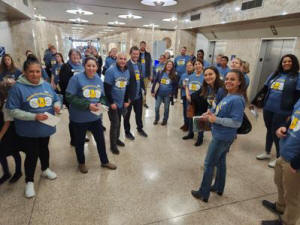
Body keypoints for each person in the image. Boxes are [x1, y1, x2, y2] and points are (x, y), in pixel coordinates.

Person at [6, 57, 61, 198]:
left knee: (44, 148)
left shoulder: (46, 85)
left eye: (38, 71)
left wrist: (57, 105)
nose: (35, 74)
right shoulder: (17, 88)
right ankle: (29, 181)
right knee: (32, 154)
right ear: (24, 72)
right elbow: (12, 110)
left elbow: (56, 98)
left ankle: (45, 168)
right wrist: (34, 116)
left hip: (45, 127)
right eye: (31, 71)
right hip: (28, 130)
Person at [191, 69, 247, 202]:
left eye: (232, 79)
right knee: (221, 162)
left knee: (209, 163)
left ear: (239, 82)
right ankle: (218, 187)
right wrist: (210, 114)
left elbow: (236, 122)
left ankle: (203, 193)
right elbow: (219, 110)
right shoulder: (228, 95)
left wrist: (216, 120)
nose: (228, 81)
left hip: (222, 136)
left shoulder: (237, 100)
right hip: (221, 134)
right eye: (227, 78)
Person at [65, 57, 116, 173]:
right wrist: (88, 105)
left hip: (95, 117)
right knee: (79, 142)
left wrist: (101, 104)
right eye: (89, 65)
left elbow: (102, 96)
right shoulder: (76, 79)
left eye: (94, 66)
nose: (91, 68)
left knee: (100, 140)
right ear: (84, 66)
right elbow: (69, 96)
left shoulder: (98, 79)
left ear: (97, 67)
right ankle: (81, 163)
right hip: (79, 119)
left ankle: (104, 161)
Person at [256, 54, 300, 168]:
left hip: (283, 111)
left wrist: (292, 113)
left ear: (294, 63)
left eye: (289, 61)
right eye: (284, 61)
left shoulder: (297, 77)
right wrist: (254, 102)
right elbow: (264, 89)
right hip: (268, 108)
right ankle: (267, 152)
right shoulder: (275, 74)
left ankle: (279, 157)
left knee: (278, 133)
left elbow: (297, 96)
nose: (286, 63)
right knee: (269, 130)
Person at [261, 99, 300, 225]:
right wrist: (284, 127)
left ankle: (288, 221)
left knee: (292, 195)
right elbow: (294, 118)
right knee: (279, 181)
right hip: (286, 150)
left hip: (295, 160)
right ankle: (280, 207)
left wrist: (297, 162)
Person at [187, 66, 226, 146]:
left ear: (216, 75)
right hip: (211, 115)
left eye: (210, 74)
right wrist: (209, 110)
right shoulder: (207, 87)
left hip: (220, 122)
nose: (208, 77)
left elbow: (224, 107)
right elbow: (211, 103)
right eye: (206, 75)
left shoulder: (221, 89)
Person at [104, 53, 130, 155]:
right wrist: (111, 102)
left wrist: (126, 100)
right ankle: (113, 145)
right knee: (115, 124)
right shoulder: (110, 71)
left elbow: (127, 87)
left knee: (119, 122)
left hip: (121, 102)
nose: (123, 61)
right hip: (113, 103)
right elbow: (107, 88)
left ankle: (117, 139)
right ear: (116, 59)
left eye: (124, 59)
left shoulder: (127, 71)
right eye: (120, 59)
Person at [59, 49, 85, 146]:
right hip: (72, 98)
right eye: (73, 55)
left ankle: (81, 136)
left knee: (81, 118)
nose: (76, 56)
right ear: (69, 56)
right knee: (74, 119)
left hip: (82, 98)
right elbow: (63, 83)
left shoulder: (82, 67)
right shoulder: (65, 67)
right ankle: (74, 139)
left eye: (77, 55)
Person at [0, 80, 22, 185]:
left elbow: (7, 122)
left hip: (9, 132)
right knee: (1, 154)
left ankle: (18, 172)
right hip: (2, 131)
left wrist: (0, 136)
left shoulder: (6, 104)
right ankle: (6, 173)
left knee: (14, 152)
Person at [124, 46, 148, 140]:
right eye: (134, 54)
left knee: (139, 114)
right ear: (130, 54)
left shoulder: (139, 64)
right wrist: (126, 98)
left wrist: (143, 88)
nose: (135, 55)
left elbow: (140, 77)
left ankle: (140, 128)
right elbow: (125, 83)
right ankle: (127, 131)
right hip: (129, 97)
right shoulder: (126, 65)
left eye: (137, 54)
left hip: (138, 96)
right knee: (127, 115)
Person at [183, 60, 204, 143]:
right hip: (190, 100)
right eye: (196, 64)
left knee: (200, 119)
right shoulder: (191, 76)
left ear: (202, 66)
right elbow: (187, 87)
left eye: (199, 64)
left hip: (200, 101)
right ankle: (190, 133)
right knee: (190, 117)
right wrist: (188, 95)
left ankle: (200, 137)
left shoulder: (204, 76)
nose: (197, 65)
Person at [151, 60, 177, 125]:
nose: (169, 66)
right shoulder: (160, 72)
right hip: (159, 93)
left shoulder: (174, 74)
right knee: (156, 107)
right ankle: (156, 119)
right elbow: (155, 81)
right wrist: (152, 90)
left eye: (171, 65)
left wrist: (173, 93)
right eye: (168, 64)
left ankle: (165, 120)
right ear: (166, 65)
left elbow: (175, 86)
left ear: (172, 66)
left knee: (166, 108)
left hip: (168, 94)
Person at [179, 61, 194, 132]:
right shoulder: (183, 75)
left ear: (193, 66)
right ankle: (186, 124)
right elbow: (179, 85)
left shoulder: (194, 75)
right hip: (184, 95)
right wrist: (183, 86)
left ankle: (191, 127)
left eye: (190, 65)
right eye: (187, 66)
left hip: (192, 96)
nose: (189, 67)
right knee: (185, 111)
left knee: (190, 112)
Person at [139, 41, 152, 109]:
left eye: (144, 45)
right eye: (142, 45)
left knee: (145, 90)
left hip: (146, 76)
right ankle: (138, 102)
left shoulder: (148, 54)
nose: (143, 46)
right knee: (138, 89)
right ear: (140, 45)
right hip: (138, 76)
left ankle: (144, 102)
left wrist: (150, 74)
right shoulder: (137, 53)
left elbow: (150, 64)